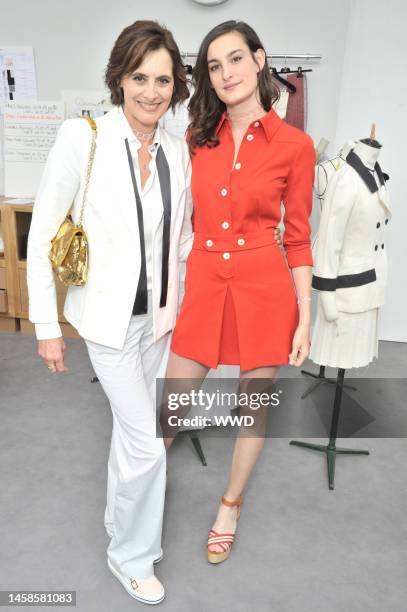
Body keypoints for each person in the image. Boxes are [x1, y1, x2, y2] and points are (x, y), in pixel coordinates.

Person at [27, 20, 194, 606]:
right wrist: (47, 328)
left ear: (177, 87)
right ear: (119, 79)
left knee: (133, 435)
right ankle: (130, 557)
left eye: (164, 79)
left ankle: (118, 524)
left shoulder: (177, 149)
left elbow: (182, 240)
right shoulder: (85, 137)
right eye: (140, 77)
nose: (152, 91)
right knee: (149, 442)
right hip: (107, 324)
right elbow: (44, 233)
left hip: (160, 323)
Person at [163, 20, 315, 564]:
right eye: (213, 65)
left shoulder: (296, 146)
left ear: (259, 60)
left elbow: (297, 237)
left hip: (264, 286)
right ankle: (141, 489)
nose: (225, 73)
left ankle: (231, 503)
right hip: (205, 281)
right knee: (171, 409)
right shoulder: (195, 139)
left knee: (253, 408)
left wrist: (305, 317)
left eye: (234, 59)